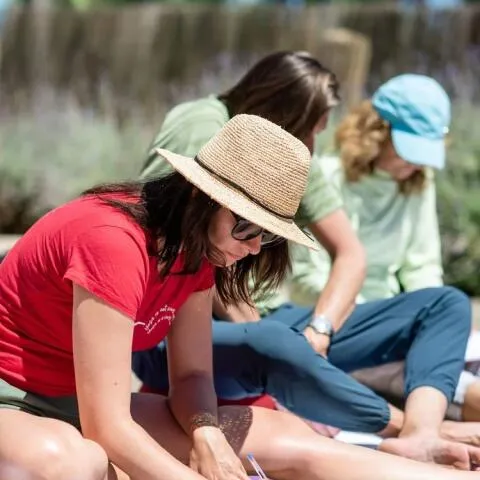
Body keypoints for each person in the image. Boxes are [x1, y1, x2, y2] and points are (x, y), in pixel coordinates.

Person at [2, 115, 479, 480]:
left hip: (75, 404)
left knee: (280, 434)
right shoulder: (112, 240)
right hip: (13, 399)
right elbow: (106, 426)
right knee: (73, 462)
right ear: (198, 197)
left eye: (268, 236)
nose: (253, 247)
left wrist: (206, 430)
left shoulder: (197, 253)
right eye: (246, 225)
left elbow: (189, 375)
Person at [133, 54, 479, 462]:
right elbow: (184, 243)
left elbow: (350, 253)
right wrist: (268, 335)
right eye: (313, 129)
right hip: (171, 333)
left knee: (445, 303)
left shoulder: (288, 155)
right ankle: (409, 427)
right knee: (273, 342)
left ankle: (421, 433)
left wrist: (320, 330)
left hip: (266, 324)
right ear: (282, 110)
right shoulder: (205, 125)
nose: (314, 145)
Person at [288, 73, 480, 428]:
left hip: (397, 319)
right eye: (409, 150)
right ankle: (423, 427)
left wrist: (422, 322)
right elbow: (305, 278)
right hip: (337, 321)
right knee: (447, 380)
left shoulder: (418, 184)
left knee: (451, 325)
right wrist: (380, 324)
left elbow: (423, 267)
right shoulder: (325, 178)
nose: (417, 164)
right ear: (375, 132)